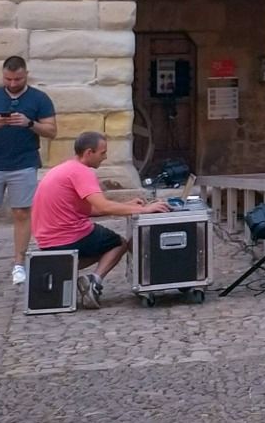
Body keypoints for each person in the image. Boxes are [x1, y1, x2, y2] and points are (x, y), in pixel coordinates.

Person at [30, 131, 168, 308]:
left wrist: (128, 205)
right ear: (89, 153)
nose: (105, 157)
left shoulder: (65, 168)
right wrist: (145, 209)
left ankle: (66, 272)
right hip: (68, 236)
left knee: (102, 242)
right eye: (102, 153)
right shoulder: (82, 172)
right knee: (119, 243)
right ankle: (94, 281)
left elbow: (89, 209)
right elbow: (103, 207)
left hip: (47, 239)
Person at [0, 56, 58, 288]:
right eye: (8, 79)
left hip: (24, 162)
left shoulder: (39, 98)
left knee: (22, 214)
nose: (13, 83)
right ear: (3, 75)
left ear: (26, 75)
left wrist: (29, 123)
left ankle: (19, 264)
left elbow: (52, 131)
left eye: (18, 79)